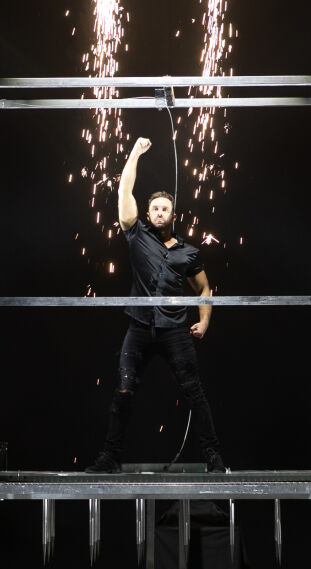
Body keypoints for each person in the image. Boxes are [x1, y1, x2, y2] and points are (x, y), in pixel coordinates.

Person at [87, 136, 227, 473]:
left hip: (174, 329)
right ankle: (109, 458)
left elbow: (205, 288)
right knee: (123, 389)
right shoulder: (137, 235)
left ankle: (213, 458)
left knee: (194, 391)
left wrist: (204, 321)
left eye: (165, 208)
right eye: (155, 209)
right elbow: (124, 193)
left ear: (173, 214)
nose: (160, 212)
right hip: (139, 326)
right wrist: (135, 153)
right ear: (148, 214)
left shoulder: (188, 252)